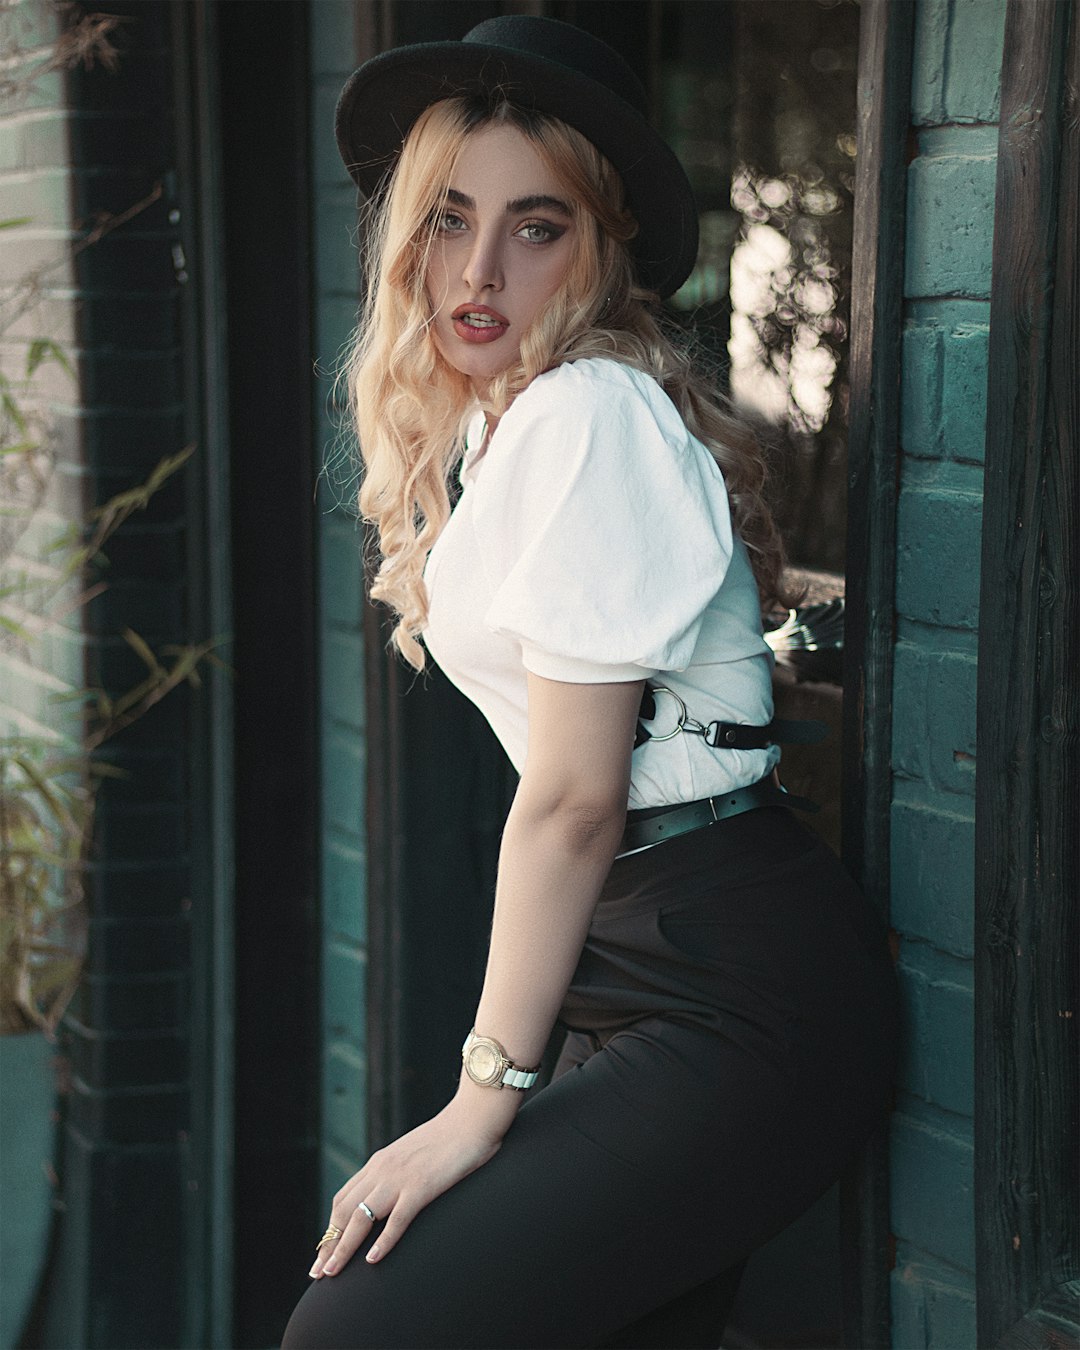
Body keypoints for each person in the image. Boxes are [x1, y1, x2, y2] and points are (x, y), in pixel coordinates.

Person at [282, 16, 899, 1350]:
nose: (481, 269)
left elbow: (569, 798)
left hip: (731, 980)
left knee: (354, 1331)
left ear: (605, 248)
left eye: (537, 226)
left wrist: (480, 1096)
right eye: (449, 219)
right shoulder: (518, 417)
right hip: (648, 960)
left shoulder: (584, 414)